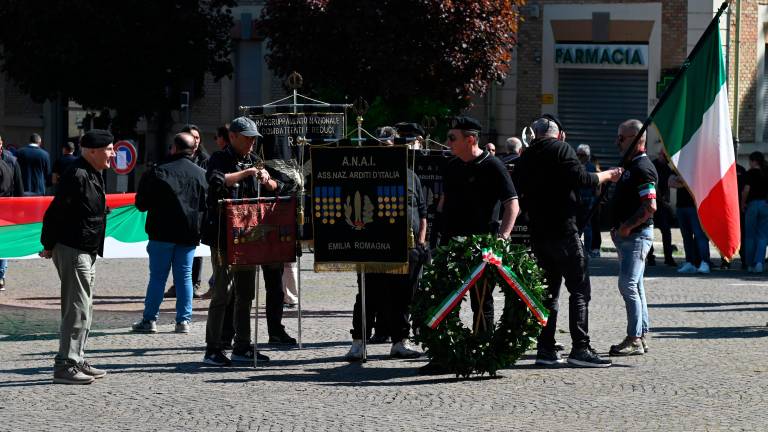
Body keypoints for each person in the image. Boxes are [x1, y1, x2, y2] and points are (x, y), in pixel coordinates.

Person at [516, 114, 622, 368]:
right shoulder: (561, 149)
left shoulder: (527, 155)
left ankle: (545, 349)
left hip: (539, 234)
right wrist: (608, 175)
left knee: (548, 294)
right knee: (579, 289)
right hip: (563, 231)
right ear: (560, 134)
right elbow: (582, 179)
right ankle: (580, 349)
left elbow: (518, 187)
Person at [420, 116, 519, 374]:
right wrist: (435, 239)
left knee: (481, 302)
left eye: (452, 138)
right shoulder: (452, 166)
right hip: (451, 243)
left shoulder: (493, 166)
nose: (447, 142)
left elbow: (512, 204)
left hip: (481, 245)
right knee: (443, 299)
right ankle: (444, 356)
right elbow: (444, 202)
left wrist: (503, 237)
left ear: (470, 139)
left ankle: (481, 355)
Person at [201, 116, 296, 366]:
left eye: (254, 138)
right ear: (232, 136)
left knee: (246, 293)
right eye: (247, 138)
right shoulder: (220, 158)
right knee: (222, 292)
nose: (252, 143)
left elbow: (277, 188)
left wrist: (267, 179)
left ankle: (242, 346)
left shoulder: (255, 160)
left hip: (248, 237)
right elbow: (216, 181)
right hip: (223, 235)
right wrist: (246, 173)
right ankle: (213, 348)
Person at [40, 129, 115, 385]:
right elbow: (54, 213)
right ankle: (65, 365)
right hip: (74, 248)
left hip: (86, 248)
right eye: (109, 149)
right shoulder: (77, 175)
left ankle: (77, 358)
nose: (113, 153)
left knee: (85, 307)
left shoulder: (92, 173)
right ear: (92, 151)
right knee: (76, 307)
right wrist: (48, 245)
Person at [345, 131, 428, 362]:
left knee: (402, 297)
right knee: (367, 296)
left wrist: (420, 240)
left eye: (391, 146)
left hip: (406, 248)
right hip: (373, 247)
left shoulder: (412, 176)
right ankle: (359, 343)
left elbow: (422, 212)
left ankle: (400, 342)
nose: (387, 150)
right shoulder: (365, 175)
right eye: (382, 146)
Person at [130, 132, 208, 334]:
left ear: (173, 148)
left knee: (157, 277)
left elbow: (141, 204)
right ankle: (183, 321)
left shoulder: (158, 172)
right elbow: (206, 205)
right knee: (185, 277)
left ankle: (150, 320)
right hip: (189, 234)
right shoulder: (201, 174)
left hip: (161, 232)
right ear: (194, 150)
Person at [609, 119, 657, 356]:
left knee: (627, 284)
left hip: (636, 236)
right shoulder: (630, 165)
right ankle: (641, 333)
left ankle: (635, 338)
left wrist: (627, 227)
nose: (617, 141)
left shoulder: (643, 167)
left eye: (622, 137)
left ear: (637, 141)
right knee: (635, 285)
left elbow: (650, 206)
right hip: (628, 236)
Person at [165, 124, 209, 300]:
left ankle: (194, 283)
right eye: (192, 137)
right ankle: (179, 284)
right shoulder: (171, 160)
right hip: (177, 213)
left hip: (196, 214)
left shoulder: (205, 160)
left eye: (198, 138)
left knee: (196, 253)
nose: (196, 141)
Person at [670, 175, 711, 274]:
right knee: (686, 237)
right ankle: (690, 263)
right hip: (681, 207)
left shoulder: (697, 167)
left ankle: (705, 263)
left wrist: (681, 181)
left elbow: (699, 183)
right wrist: (687, 182)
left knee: (700, 236)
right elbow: (671, 183)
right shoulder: (679, 166)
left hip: (696, 207)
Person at [0, 134, 24, 291]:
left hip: (6, 208)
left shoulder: (11, 161)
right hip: (6, 208)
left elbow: (19, 187)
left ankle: (1, 275)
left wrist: (20, 208)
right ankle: (1, 276)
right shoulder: (10, 161)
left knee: (3, 242)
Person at [648, 150, 676, 267]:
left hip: (663, 205)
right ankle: (650, 257)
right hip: (652, 202)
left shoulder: (668, 168)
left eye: (664, 156)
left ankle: (668, 257)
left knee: (666, 230)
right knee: (649, 230)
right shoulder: (652, 165)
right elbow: (651, 183)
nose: (662, 157)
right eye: (661, 154)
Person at [741, 151, 768, 273]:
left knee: (750, 236)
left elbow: (746, 190)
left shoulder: (750, 173)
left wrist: (743, 203)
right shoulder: (766, 172)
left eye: (750, 161)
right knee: (762, 236)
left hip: (752, 205)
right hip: (765, 205)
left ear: (754, 161)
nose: (749, 163)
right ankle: (759, 263)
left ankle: (750, 264)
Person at [576, 144, 598, 256]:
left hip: (588, 200)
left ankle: (587, 250)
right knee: (577, 226)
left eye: (582, 155)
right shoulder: (576, 166)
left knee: (587, 226)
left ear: (587, 156)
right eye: (577, 154)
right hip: (577, 200)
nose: (579, 157)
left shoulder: (590, 167)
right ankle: (578, 248)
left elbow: (595, 185)